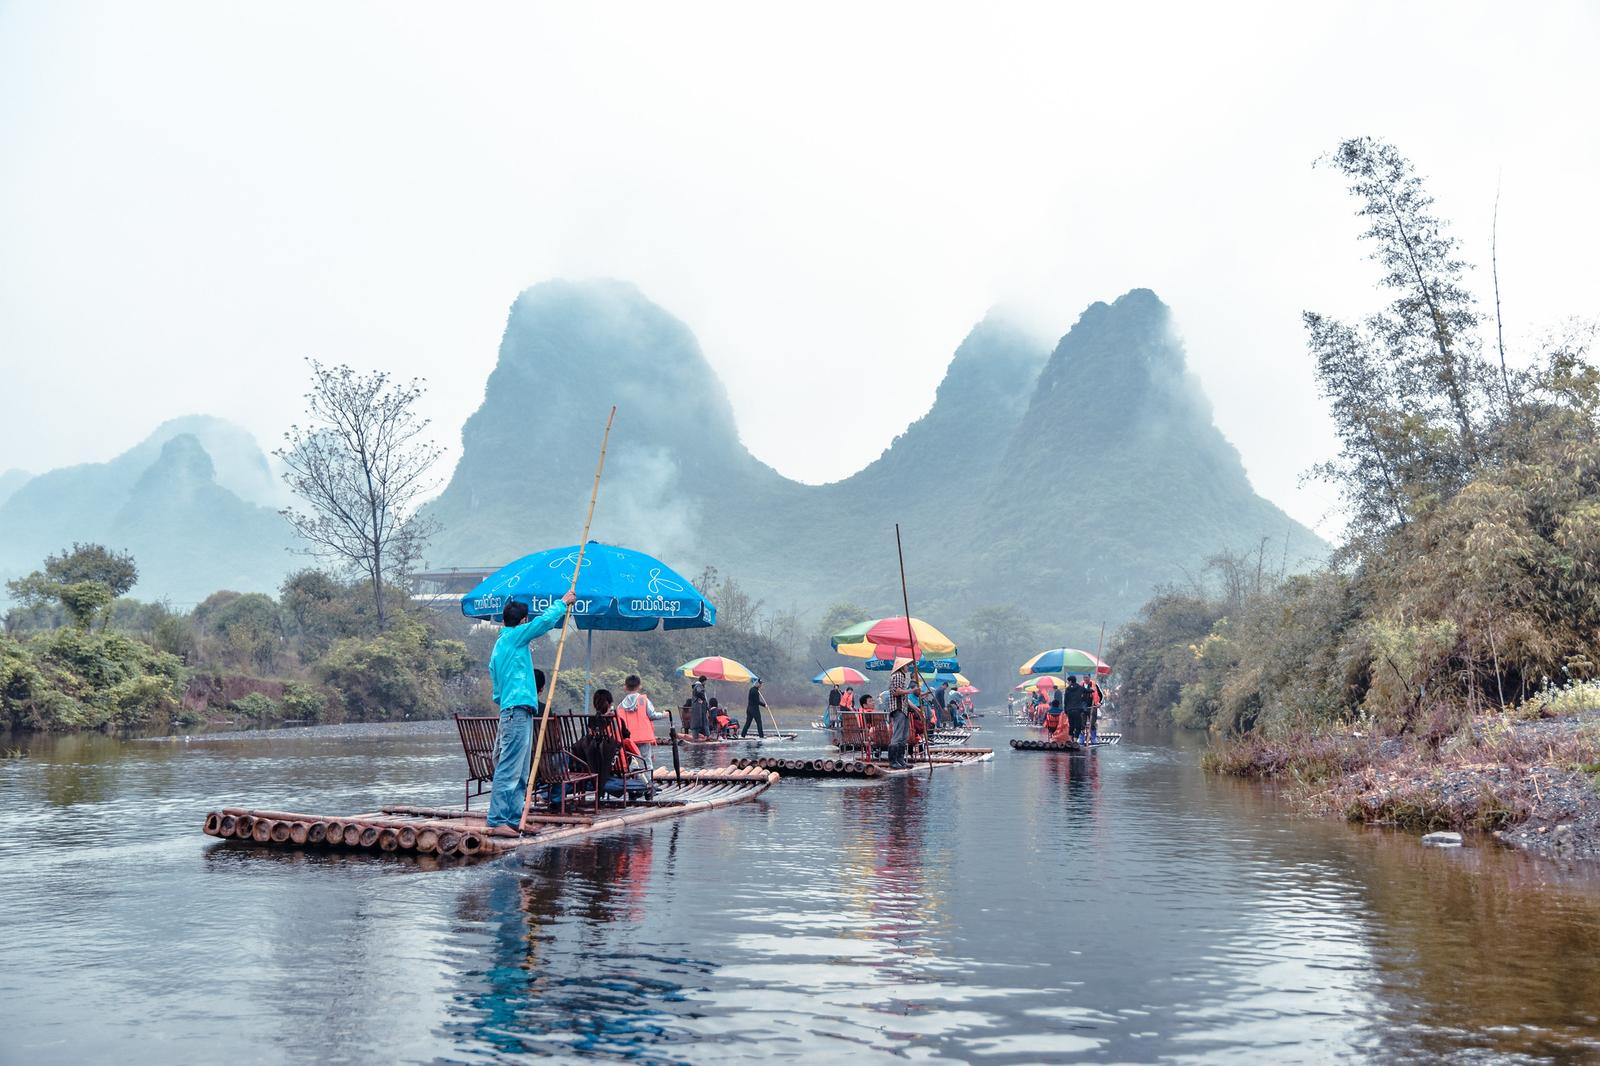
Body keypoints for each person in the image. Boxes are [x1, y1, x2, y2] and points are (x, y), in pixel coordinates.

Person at [485, 592, 575, 835]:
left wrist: (507, 701)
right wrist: (562, 603)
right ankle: (496, 820)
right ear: (523, 620)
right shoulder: (514, 637)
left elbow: (496, 687)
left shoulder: (500, 645)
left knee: (521, 770)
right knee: (510, 768)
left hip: (514, 709)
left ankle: (514, 818)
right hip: (515, 710)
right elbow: (543, 623)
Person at [617, 675, 665, 771]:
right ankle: (648, 783)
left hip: (628, 739)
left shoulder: (621, 705)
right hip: (643, 737)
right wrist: (664, 715)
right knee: (646, 761)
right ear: (639, 687)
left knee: (632, 762)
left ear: (625, 687)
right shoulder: (643, 700)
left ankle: (634, 782)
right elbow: (652, 715)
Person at [886, 661, 913, 768]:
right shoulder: (897, 675)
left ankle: (900, 760)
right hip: (898, 708)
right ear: (901, 666)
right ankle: (893, 761)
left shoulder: (902, 676)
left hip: (904, 708)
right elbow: (896, 692)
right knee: (897, 735)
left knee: (904, 736)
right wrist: (911, 691)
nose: (908, 667)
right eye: (907, 665)